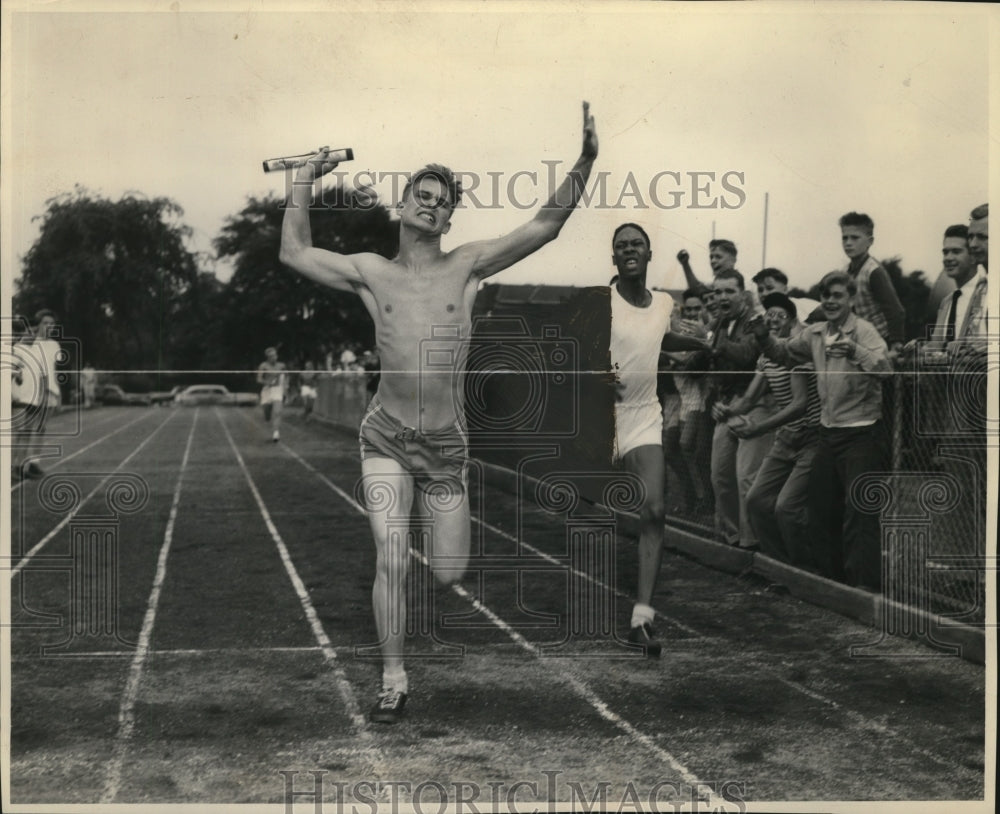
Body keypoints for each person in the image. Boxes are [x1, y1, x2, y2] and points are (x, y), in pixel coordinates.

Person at [279, 102, 599, 722]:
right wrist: (301, 183)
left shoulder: (469, 265)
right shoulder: (372, 272)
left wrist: (585, 162)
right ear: (403, 205)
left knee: (450, 572)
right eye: (421, 195)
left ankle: (436, 547)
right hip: (387, 437)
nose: (431, 205)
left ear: (451, 214)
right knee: (391, 553)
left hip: (447, 445)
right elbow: (295, 253)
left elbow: (545, 226)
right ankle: (393, 676)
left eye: (442, 200)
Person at [752, 271, 891, 589]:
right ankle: (832, 580)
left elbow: (886, 370)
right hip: (828, 433)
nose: (830, 301)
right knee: (820, 508)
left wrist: (855, 350)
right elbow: (782, 354)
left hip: (862, 432)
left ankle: (865, 587)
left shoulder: (864, 332)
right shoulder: (815, 333)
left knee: (860, 510)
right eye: (825, 295)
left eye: (837, 295)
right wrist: (762, 335)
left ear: (852, 299)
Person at [609, 224, 711, 656]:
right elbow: (574, 348)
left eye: (636, 244)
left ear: (650, 253)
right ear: (613, 258)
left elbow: (657, 336)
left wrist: (698, 343)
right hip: (599, 417)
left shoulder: (664, 303)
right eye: (621, 247)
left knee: (653, 508)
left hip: (641, 415)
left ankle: (642, 619)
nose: (629, 250)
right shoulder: (602, 301)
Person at [742, 294, 822, 564]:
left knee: (786, 507)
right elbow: (750, 397)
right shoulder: (766, 357)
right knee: (755, 500)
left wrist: (759, 427)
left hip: (811, 437)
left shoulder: (796, 351)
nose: (773, 320)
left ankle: (806, 570)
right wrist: (728, 412)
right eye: (769, 316)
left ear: (791, 321)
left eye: (780, 316)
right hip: (786, 439)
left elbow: (799, 405)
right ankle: (779, 564)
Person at [704, 270, 770, 550]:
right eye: (717, 292)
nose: (722, 297)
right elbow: (710, 367)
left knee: (746, 477)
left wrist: (712, 343)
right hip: (726, 406)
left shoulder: (754, 320)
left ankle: (752, 543)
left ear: (743, 294)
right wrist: (714, 402)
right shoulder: (719, 323)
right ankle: (732, 538)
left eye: (729, 291)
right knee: (720, 477)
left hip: (754, 405)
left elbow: (747, 356)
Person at [661, 288, 713, 515]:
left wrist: (662, 350)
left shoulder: (701, 332)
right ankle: (694, 494)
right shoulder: (674, 330)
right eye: (687, 309)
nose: (691, 313)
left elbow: (687, 360)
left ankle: (703, 497)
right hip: (680, 397)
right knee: (674, 448)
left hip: (697, 397)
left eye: (696, 308)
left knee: (686, 446)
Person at [838, 212, 906, 358]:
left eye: (855, 238)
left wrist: (896, 343)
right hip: (858, 342)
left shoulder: (874, 271)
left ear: (870, 241)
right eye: (845, 238)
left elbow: (895, 310)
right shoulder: (845, 272)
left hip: (881, 341)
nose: (848, 242)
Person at [11, 310, 61, 480]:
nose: (49, 326)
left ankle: (33, 464)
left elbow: (52, 371)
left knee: (40, 429)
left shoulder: (54, 345)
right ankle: (15, 466)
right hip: (32, 392)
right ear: (38, 324)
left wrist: (57, 392)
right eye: (45, 323)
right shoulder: (29, 343)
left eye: (52, 324)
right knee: (24, 430)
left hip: (49, 391)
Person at [750, 268, 822, 324]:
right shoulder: (759, 317)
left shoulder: (802, 304)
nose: (764, 294)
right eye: (760, 290)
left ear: (785, 290)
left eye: (770, 288)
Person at [257, 346, 287, 442]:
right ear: (268, 357)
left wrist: (285, 387)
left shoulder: (281, 365)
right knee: (267, 414)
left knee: (277, 412)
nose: (274, 357)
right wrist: (267, 382)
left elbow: (286, 377)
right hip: (267, 390)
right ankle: (268, 418)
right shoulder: (263, 366)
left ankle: (276, 433)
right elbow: (259, 379)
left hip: (277, 390)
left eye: (275, 355)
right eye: (271, 356)